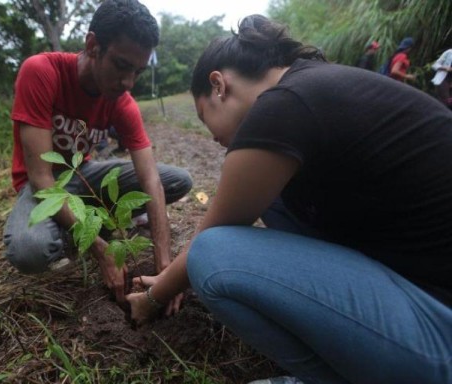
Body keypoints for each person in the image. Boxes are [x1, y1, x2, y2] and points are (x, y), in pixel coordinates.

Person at [126, 14, 452, 384]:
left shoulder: (283, 104)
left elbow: (211, 234)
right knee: (278, 201)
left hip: (438, 331)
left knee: (213, 256)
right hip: (420, 291)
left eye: (204, 118)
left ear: (218, 85)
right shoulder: (312, 84)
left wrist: (154, 298)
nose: (214, 138)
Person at [3, 0, 192, 303]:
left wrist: (164, 263)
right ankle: (87, 227)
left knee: (177, 180)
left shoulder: (122, 100)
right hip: (46, 183)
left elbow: (151, 179)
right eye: (121, 65)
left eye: (138, 71)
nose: (128, 82)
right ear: (93, 45)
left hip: (84, 174)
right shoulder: (42, 72)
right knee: (30, 250)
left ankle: (89, 220)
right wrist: (101, 249)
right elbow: (40, 178)